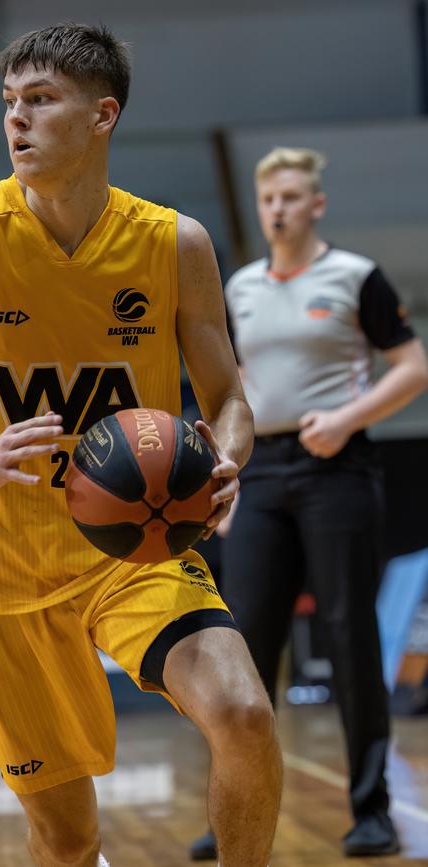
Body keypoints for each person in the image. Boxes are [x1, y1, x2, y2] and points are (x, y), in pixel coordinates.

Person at [0, 23, 283, 867]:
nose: (17, 120)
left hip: (137, 542)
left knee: (244, 713)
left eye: (41, 101)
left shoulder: (173, 243)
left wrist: (227, 456)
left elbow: (228, 398)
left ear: (102, 116)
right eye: (10, 102)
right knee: (67, 837)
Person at [190, 146, 428, 861]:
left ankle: (371, 810)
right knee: (242, 647)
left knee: (350, 635)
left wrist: (350, 418)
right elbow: (226, 385)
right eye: (269, 199)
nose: (279, 209)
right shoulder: (239, 286)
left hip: (338, 468)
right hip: (261, 473)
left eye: (293, 197)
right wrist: (225, 476)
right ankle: (233, 813)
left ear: (316, 203)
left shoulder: (355, 277)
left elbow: (413, 366)